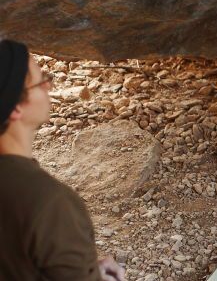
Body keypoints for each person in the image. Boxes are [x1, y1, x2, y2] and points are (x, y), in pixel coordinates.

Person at [0, 39, 126, 281]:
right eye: (41, 81)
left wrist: (87, 269)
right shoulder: (50, 203)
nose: (49, 87)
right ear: (16, 107)